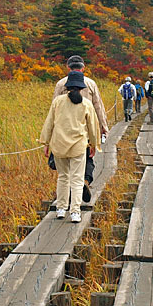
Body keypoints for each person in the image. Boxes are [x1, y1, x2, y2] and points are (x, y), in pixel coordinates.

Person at [40, 71, 100, 223]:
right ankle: (75, 212)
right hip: (78, 146)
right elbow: (93, 127)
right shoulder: (86, 103)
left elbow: (49, 123)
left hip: (59, 145)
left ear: (67, 87)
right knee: (77, 179)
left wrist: (45, 143)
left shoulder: (58, 102)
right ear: (81, 87)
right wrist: (94, 144)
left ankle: (61, 209)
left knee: (63, 177)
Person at [53, 55, 108, 202]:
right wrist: (103, 127)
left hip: (64, 130)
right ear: (83, 68)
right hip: (86, 128)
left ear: (68, 67)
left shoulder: (60, 84)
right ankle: (84, 181)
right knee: (88, 157)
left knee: (65, 159)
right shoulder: (90, 83)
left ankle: (69, 191)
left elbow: (54, 109)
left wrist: (51, 133)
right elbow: (98, 106)